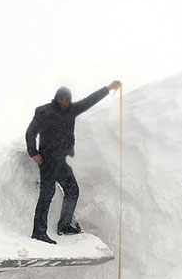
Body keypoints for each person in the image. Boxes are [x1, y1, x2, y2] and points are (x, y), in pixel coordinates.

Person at [26, 80, 121, 244]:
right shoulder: (44, 112)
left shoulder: (72, 110)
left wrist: (109, 88)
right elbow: (30, 132)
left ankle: (64, 226)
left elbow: (90, 100)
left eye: (66, 100)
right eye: (61, 99)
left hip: (61, 161)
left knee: (72, 190)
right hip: (47, 161)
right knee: (47, 194)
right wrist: (33, 152)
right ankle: (38, 232)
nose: (64, 102)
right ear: (56, 99)